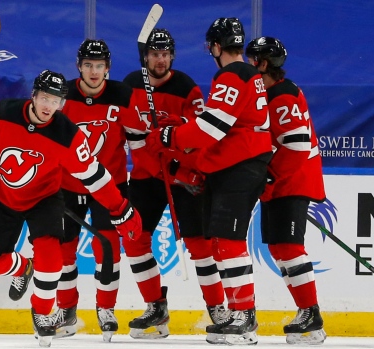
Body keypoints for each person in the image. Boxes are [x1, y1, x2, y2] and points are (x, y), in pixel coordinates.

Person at [0, 69, 142, 348]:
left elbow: (96, 177)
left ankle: (42, 312)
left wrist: (120, 207)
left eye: (56, 101)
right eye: (45, 98)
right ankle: (24, 268)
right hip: (4, 197)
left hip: (45, 199)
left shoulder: (67, 134)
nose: (49, 106)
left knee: (52, 257)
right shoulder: (4, 112)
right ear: (34, 96)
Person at [146, 17, 272, 346]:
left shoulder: (232, 74)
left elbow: (212, 128)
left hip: (241, 166)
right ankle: (237, 313)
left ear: (217, 47)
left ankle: (244, 316)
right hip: (240, 164)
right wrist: (181, 137)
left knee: (229, 243)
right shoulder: (249, 75)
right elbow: (220, 125)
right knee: (220, 244)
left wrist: (171, 136)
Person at [122, 28, 227, 338]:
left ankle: (218, 311)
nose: (160, 59)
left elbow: (200, 138)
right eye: (155, 54)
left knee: (200, 246)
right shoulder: (129, 87)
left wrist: (184, 170)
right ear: (146, 57)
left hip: (184, 177)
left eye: (165, 54)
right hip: (147, 176)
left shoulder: (187, 88)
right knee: (134, 239)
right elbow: (136, 145)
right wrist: (167, 169)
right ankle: (156, 309)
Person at [51, 39, 149, 342]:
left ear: (108, 68)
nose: (94, 72)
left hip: (110, 186)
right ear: (79, 66)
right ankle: (66, 311)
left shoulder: (122, 95)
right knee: (63, 250)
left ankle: (106, 309)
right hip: (68, 184)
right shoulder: (61, 96)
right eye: (88, 65)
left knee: (107, 247)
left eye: (99, 66)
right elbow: (46, 139)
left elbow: (141, 140)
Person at [245, 36, 327, 345]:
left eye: (253, 60)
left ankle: (311, 314)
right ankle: (308, 316)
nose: (249, 65)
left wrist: (269, 177)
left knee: (290, 248)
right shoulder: (273, 93)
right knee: (279, 249)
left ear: (263, 64)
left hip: (292, 180)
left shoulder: (282, 96)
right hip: (281, 181)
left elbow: (297, 145)